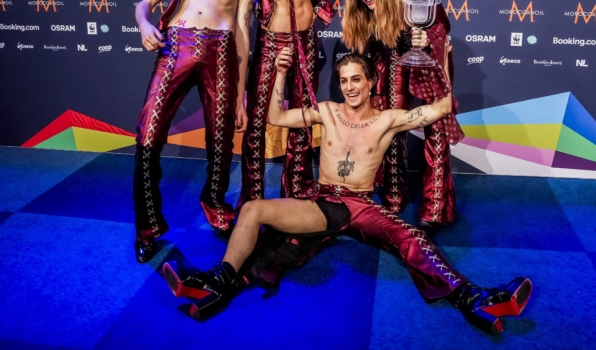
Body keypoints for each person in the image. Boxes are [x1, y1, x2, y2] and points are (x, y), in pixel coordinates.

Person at [162, 48, 532, 335]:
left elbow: (441, 107)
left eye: (356, 79)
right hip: (322, 201)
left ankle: (473, 299)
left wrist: (442, 59)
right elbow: (277, 117)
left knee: (411, 238)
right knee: (254, 212)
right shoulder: (327, 111)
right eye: (343, 81)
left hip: (359, 205)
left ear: (371, 82)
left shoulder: (387, 119)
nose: (350, 87)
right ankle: (218, 282)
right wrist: (280, 73)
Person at [132, 0, 257, 262]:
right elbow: (145, 3)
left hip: (221, 52)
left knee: (221, 140)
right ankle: (147, 227)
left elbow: (242, 34)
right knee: (148, 136)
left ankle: (216, 205)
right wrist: (144, 25)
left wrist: (241, 97)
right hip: (176, 47)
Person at [237, 0, 346, 208]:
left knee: (302, 119)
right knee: (256, 123)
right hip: (270, 40)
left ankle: (296, 195)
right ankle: (251, 200)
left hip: (306, 40)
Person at [342, 0, 464, 231]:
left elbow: (442, 29)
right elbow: (377, 48)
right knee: (390, 120)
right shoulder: (365, 8)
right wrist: (377, 87)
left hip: (430, 58)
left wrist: (424, 38)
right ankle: (393, 195)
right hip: (394, 58)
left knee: (436, 126)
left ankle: (435, 208)